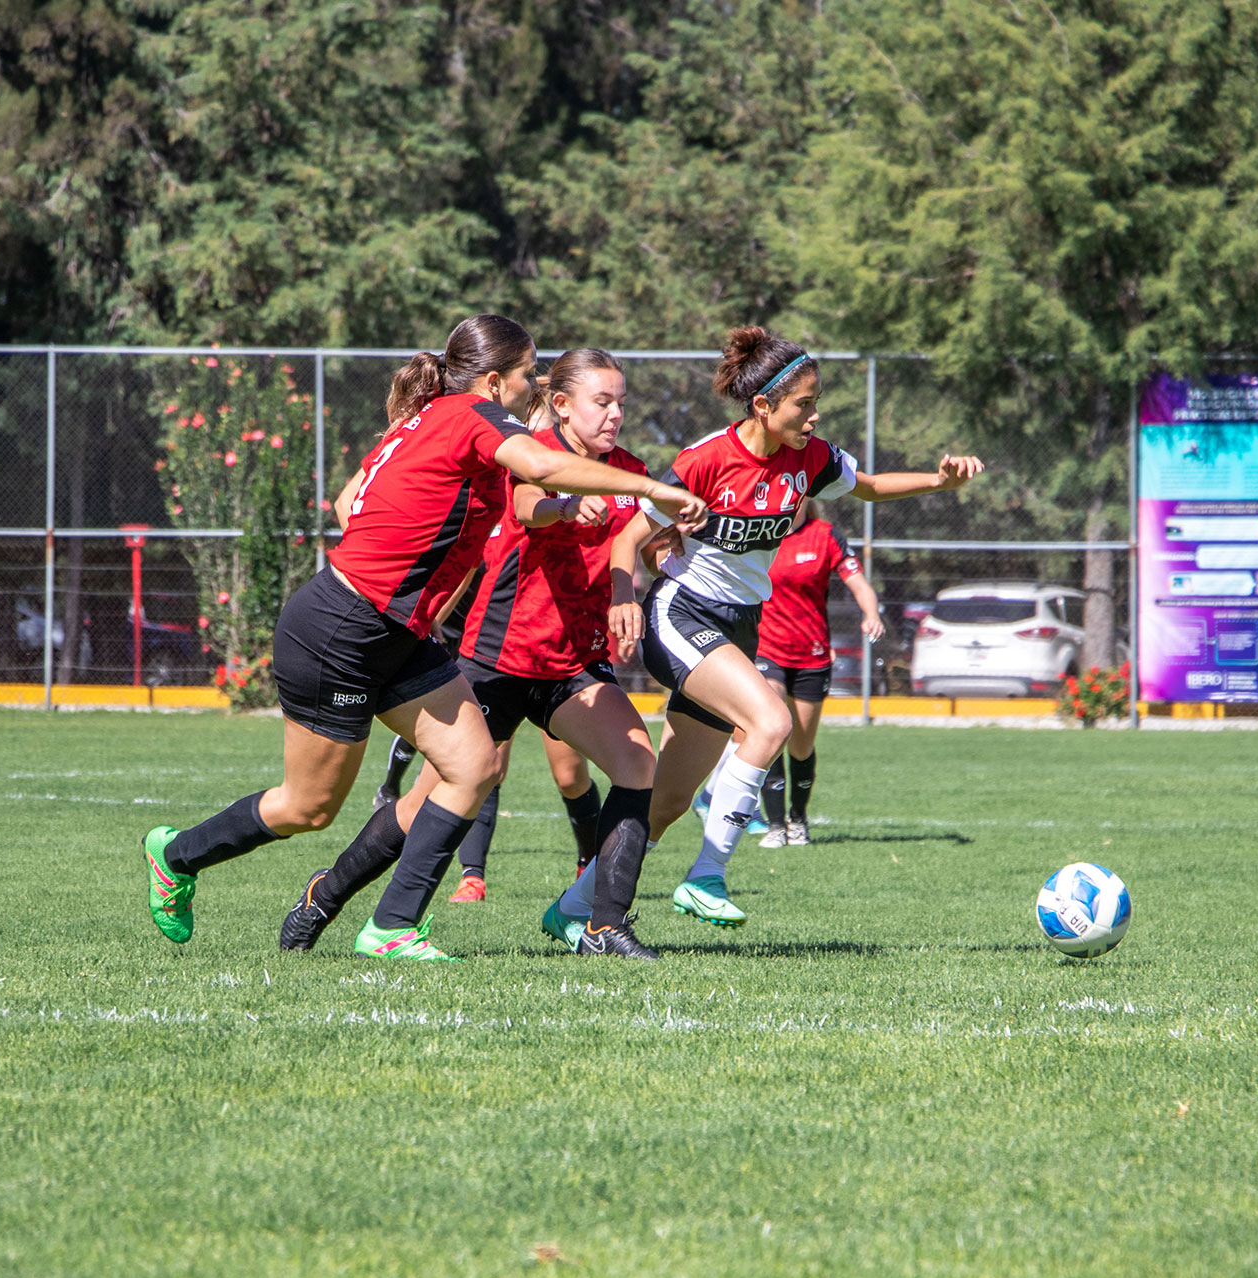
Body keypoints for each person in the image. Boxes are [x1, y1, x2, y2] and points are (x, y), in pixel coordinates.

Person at [142, 317, 702, 961]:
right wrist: (653, 488)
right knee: (308, 807)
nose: (534, 388)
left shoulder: (436, 421)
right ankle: (177, 854)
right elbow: (541, 474)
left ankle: (391, 927)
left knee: (472, 768)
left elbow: (351, 503)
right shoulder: (471, 416)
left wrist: (422, 570)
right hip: (345, 629)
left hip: (402, 631)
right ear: (495, 382)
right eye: (528, 376)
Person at [546, 325, 984, 934]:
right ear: (763, 406)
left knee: (667, 803)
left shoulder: (814, 458)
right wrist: (623, 595)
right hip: (680, 615)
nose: (814, 413)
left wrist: (943, 481)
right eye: (804, 403)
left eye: (815, 401)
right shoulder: (704, 460)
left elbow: (873, 487)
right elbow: (629, 536)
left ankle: (569, 907)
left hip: (737, 626)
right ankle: (705, 877)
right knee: (772, 720)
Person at [281, 347, 680, 959]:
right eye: (603, 402)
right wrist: (565, 505)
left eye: (621, 403)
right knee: (423, 803)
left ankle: (604, 925)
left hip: (571, 663)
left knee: (636, 764)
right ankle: (325, 897)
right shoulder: (525, 453)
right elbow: (529, 505)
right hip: (497, 658)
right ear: (564, 406)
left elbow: (636, 544)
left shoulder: (626, 469)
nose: (615, 415)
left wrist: (659, 558)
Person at [369, 567, 606, 903]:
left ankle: (589, 865)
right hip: (500, 662)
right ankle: (472, 878)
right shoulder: (495, 526)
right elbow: (459, 574)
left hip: (557, 663)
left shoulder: (568, 528)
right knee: (484, 768)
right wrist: (427, 621)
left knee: (570, 776)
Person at [749, 501, 882, 845]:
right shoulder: (760, 533)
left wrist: (871, 614)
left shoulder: (825, 536)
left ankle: (798, 818)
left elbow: (858, 582)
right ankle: (776, 825)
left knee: (801, 746)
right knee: (773, 729)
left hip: (811, 655)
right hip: (767, 651)